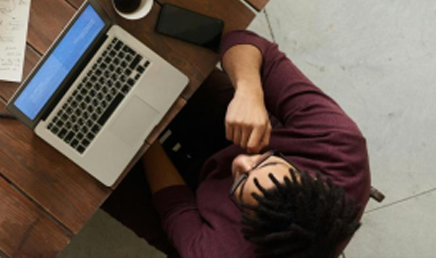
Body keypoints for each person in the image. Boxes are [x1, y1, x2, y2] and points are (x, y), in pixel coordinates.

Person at [103, 31, 368, 257]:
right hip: (233, 130)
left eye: (242, 180)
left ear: (247, 223)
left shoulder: (222, 252)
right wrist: (248, 91)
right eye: (265, 160)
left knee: (98, 173)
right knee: (171, 60)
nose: (240, 161)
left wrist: (144, 134)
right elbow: (242, 40)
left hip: (193, 212)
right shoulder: (337, 143)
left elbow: (175, 205)